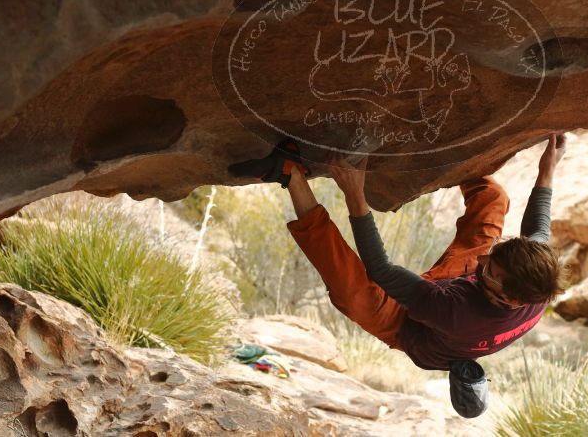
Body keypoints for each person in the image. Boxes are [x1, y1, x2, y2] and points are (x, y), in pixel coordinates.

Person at [228, 133, 568, 417]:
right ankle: (439, 152)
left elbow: (382, 271)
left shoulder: (455, 312)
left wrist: (355, 196)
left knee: (353, 292)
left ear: (509, 297)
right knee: (493, 199)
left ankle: (290, 174)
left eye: (489, 269)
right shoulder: (538, 277)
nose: (480, 260)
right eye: (490, 257)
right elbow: (537, 226)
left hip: (408, 325)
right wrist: (548, 168)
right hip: (458, 293)